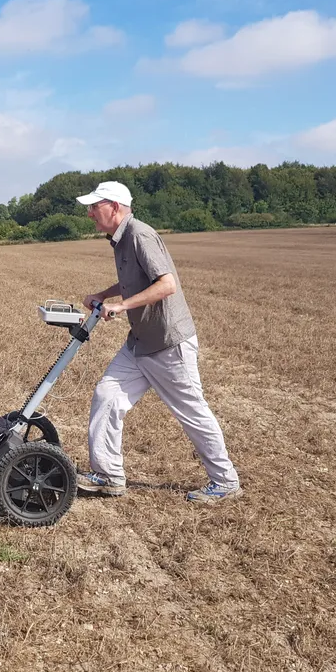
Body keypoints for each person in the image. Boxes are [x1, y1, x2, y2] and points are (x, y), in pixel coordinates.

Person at [75, 180, 242, 503]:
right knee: (107, 395)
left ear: (115, 207)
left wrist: (121, 306)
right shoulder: (119, 239)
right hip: (139, 342)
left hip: (167, 342)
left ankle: (225, 481)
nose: (89, 213)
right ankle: (108, 474)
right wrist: (103, 294)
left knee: (191, 411)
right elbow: (133, 280)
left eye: (95, 207)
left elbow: (166, 285)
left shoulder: (140, 234)